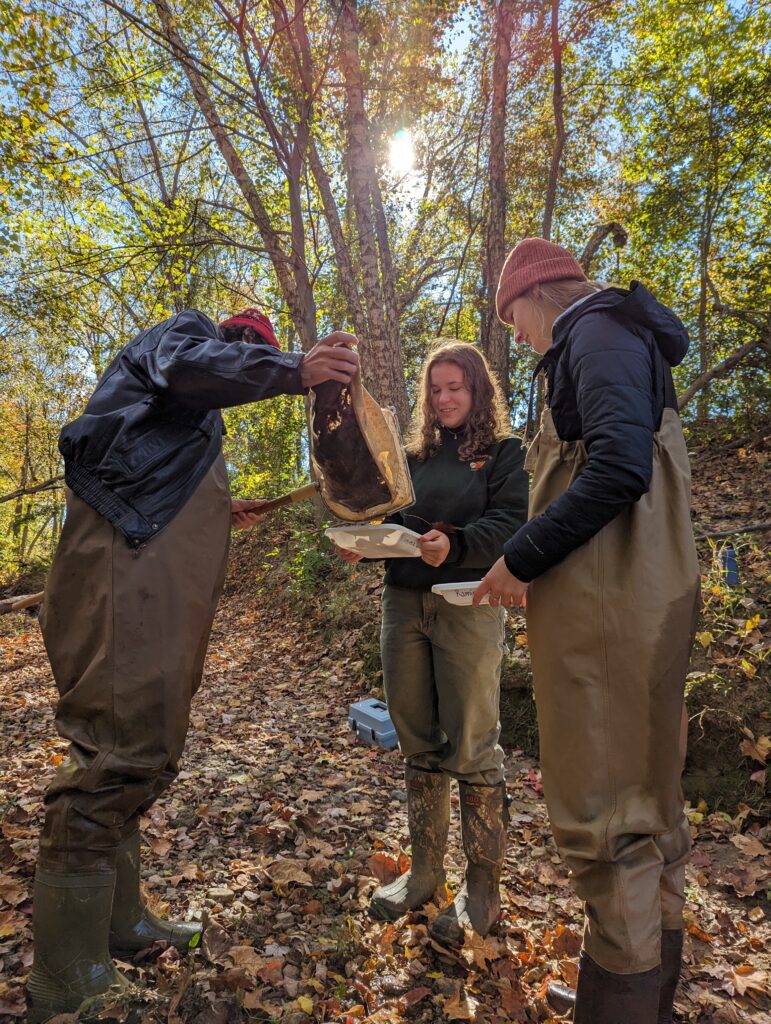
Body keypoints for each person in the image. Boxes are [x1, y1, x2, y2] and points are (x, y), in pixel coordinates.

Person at [28, 308, 359, 1023]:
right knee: (117, 749)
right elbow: (185, 368)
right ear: (236, 346)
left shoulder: (184, 418)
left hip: (153, 570)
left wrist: (216, 506)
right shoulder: (182, 338)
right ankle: (63, 976)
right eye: (253, 357)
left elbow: (154, 458)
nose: (247, 372)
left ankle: (119, 925)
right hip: (128, 567)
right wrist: (293, 369)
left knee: (143, 748)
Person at [475, 239, 700, 1024]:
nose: (522, 340)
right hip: (629, 593)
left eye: (516, 324)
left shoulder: (594, 332)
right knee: (645, 809)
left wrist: (521, 557)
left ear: (534, 298)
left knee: (607, 821)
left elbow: (616, 469)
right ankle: (631, 992)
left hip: (609, 597)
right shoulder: (617, 335)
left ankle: (621, 1006)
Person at [335, 340, 528, 944]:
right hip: (404, 600)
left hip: (468, 603)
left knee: (472, 741)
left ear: (478, 391)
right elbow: (394, 519)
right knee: (416, 735)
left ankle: (482, 889)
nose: (444, 399)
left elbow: (513, 522)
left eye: (456, 388)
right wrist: (364, 538)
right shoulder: (411, 455)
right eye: (436, 389)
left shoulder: (504, 451)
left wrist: (460, 544)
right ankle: (423, 875)